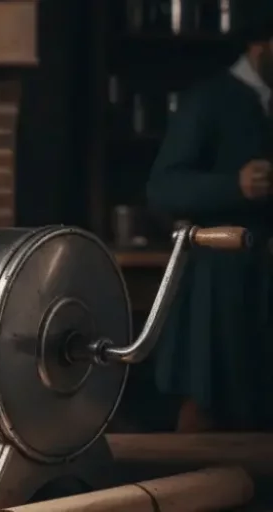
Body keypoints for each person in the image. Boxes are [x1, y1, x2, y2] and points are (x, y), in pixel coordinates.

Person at [146, 13, 273, 432]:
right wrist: (234, 185)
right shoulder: (209, 99)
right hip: (222, 286)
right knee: (211, 413)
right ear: (261, 45)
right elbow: (163, 189)